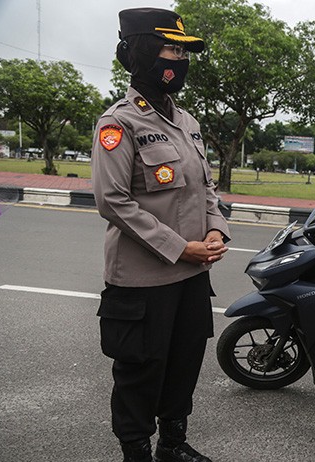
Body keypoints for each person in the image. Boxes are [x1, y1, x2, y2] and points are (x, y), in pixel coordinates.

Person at [91, 8, 230, 462]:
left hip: (190, 276)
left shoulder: (187, 122)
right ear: (142, 53)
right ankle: (137, 452)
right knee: (140, 372)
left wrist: (215, 231)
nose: (180, 59)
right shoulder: (119, 123)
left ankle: (172, 445)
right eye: (172, 49)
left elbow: (205, 187)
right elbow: (112, 201)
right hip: (144, 279)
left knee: (183, 363)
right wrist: (178, 247)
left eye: (184, 50)